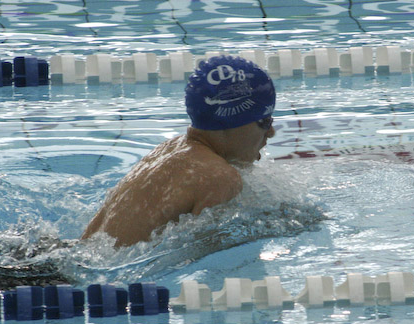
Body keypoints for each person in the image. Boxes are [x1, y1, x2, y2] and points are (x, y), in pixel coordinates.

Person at [81, 55, 277, 247]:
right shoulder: (219, 176)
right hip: (106, 267)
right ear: (233, 121)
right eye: (265, 121)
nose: (271, 132)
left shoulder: (170, 148)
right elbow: (206, 249)